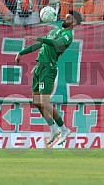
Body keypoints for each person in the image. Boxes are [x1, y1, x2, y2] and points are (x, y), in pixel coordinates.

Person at [15, 10, 83, 145]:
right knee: (36, 101)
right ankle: (53, 128)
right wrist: (21, 52)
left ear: (74, 23)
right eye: (66, 16)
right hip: (39, 67)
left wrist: (39, 38)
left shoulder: (68, 35)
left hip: (48, 68)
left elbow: (57, 44)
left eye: (69, 18)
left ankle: (64, 130)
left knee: (45, 102)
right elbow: (40, 45)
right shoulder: (55, 31)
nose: (65, 18)